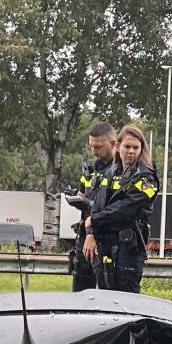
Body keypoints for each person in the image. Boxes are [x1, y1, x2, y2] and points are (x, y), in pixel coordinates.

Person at [87, 122, 159, 293]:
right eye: (127, 146)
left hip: (129, 248)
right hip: (106, 246)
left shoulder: (147, 178)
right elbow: (97, 204)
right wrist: (91, 233)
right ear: (118, 146)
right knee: (105, 297)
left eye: (136, 147)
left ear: (142, 149)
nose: (131, 151)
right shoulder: (110, 173)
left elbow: (125, 209)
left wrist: (94, 220)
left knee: (128, 300)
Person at [66, 120, 117, 292]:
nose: (94, 151)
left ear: (112, 144)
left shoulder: (120, 171)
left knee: (108, 295)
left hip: (107, 239)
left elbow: (113, 209)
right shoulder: (90, 169)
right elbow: (83, 196)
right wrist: (76, 198)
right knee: (80, 293)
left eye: (98, 147)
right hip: (84, 237)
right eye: (91, 146)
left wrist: (92, 233)